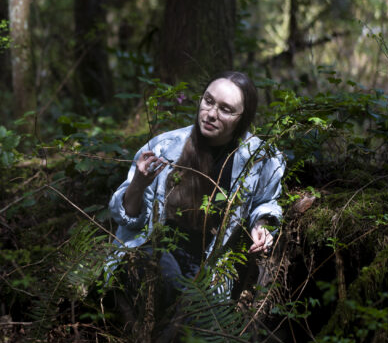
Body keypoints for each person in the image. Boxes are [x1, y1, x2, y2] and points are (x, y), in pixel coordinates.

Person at [107, 71, 285, 306]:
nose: (211, 114)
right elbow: (129, 220)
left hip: (207, 273)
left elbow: (266, 201)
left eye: (226, 109)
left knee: (195, 314)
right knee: (157, 264)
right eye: (208, 101)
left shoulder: (261, 159)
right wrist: (139, 185)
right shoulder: (164, 148)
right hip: (150, 259)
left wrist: (261, 225)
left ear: (243, 118)